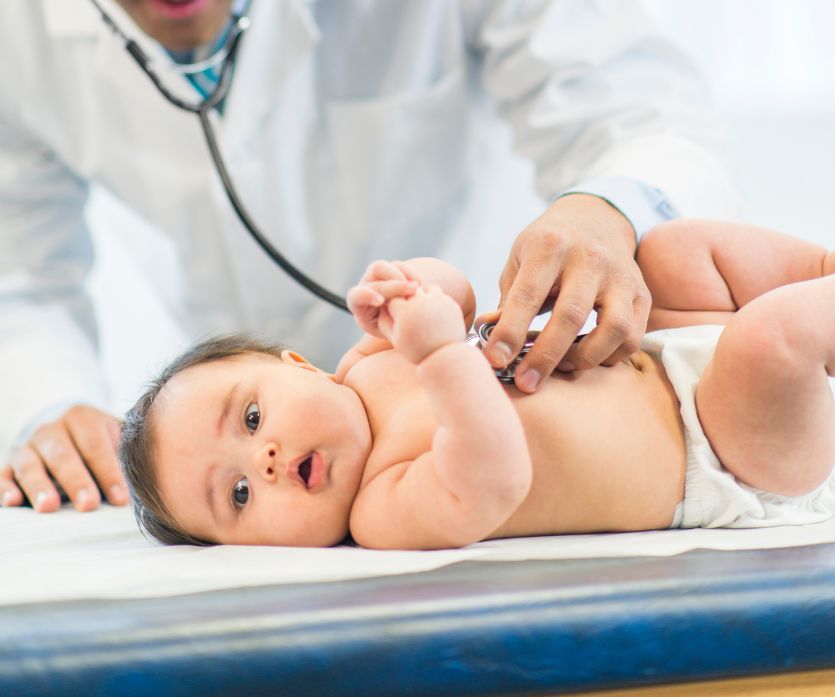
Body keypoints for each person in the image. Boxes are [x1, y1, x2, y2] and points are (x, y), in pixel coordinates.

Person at [0, 0, 737, 514]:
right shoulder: (19, 33)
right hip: (285, 476)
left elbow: (636, 107)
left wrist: (605, 211)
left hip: (540, 371)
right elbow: (20, 277)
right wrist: (51, 403)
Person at [117, 220, 835, 549]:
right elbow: (494, 474)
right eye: (237, 495)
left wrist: (409, 285)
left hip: (660, 349)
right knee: (769, 342)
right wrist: (436, 354)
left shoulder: (366, 360)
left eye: (248, 419)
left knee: (668, 252)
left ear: (296, 364)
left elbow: (453, 293)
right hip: (719, 453)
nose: (263, 460)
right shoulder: (383, 510)